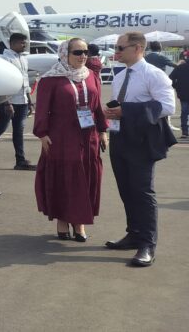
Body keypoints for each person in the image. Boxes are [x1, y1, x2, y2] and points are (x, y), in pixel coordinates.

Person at [103, 31, 177, 267]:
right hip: (120, 137)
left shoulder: (154, 75)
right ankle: (134, 233)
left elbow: (168, 106)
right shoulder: (119, 76)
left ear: (137, 48)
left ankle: (147, 244)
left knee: (142, 192)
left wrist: (127, 110)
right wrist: (113, 113)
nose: (116, 51)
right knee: (126, 189)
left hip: (142, 141)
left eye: (120, 47)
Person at [33, 38, 108, 242]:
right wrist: (42, 133)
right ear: (65, 54)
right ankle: (63, 220)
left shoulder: (91, 76)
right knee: (64, 179)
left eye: (85, 52)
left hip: (88, 135)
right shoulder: (50, 79)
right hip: (61, 137)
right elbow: (42, 110)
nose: (83, 56)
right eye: (77, 52)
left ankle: (79, 222)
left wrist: (103, 130)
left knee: (86, 177)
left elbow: (97, 106)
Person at [0, 33, 36, 170]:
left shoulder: (23, 59)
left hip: (22, 100)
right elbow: (0, 81)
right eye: (21, 43)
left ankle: (20, 161)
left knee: (19, 131)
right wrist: (6, 103)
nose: (24, 45)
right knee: (0, 128)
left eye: (25, 42)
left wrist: (29, 100)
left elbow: (25, 80)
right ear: (13, 44)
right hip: (7, 100)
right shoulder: (3, 59)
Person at [170, 60, 189, 140]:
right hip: (183, 93)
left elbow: (170, 78)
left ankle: (185, 132)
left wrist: (176, 86)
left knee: (184, 112)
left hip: (183, 93)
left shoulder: (180, 67)